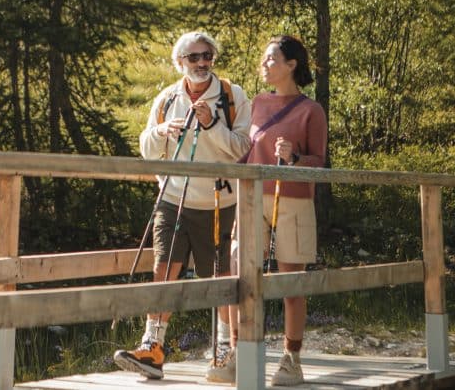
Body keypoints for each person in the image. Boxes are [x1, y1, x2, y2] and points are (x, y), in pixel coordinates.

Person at [113, 31, 251, 380]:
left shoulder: (233, 96)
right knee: (164, 269)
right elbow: (146, 149)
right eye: (194, 57)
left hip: (220, 202)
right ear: (180, 63)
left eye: (208, 56)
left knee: (218, 278)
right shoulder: (167, 98)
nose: (202, 63)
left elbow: (241, 148)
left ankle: (223, 352)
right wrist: (161, 132)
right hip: (173, 197)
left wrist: (210, 124)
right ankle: (152, 348)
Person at [206, 34, 328, 386]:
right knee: (235, 273)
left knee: (291, 282)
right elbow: (247, 150)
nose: (265, 64)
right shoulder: (257, 103)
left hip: (293, 200)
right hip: (252, 198)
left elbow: (319, 163)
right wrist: (227, 170)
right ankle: (235, 355)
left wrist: (293, 157)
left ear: (292, 65)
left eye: (271, 59)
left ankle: (292, 360)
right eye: (264, 58)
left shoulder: (311, 110)